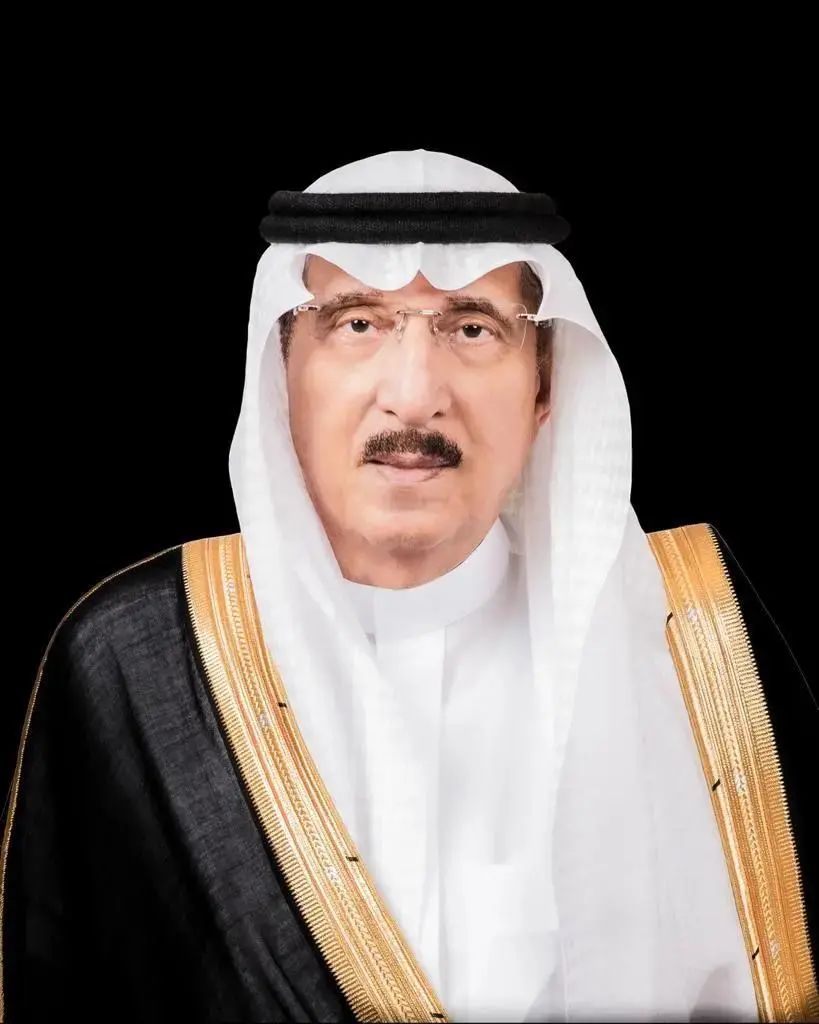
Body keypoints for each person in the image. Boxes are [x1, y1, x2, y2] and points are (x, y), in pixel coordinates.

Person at [1, 150, 815, 1022]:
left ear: (543, 386)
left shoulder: (689, 642)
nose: (415, 396)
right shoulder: (138, 663)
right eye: (357, 324)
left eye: (472, 329)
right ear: (283, 374)